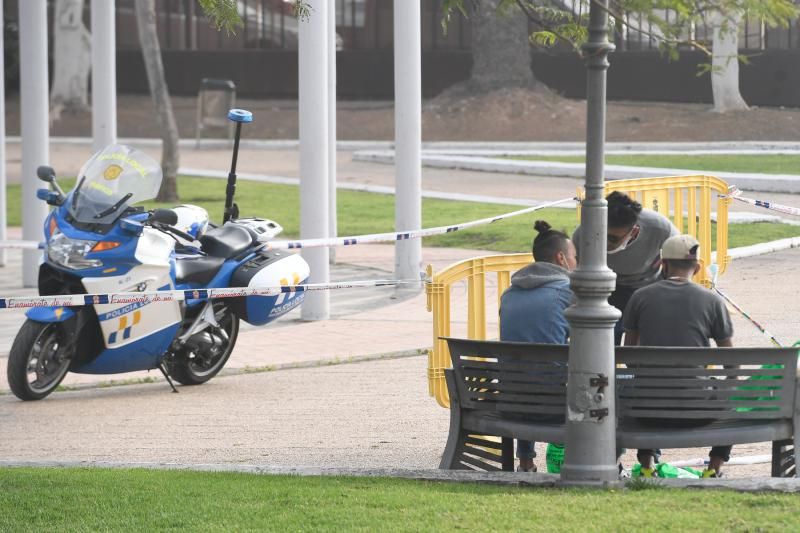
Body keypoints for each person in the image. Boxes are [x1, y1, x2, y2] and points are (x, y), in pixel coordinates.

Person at [623, 234, 734, 478]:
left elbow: (629, 356)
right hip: (698, 412)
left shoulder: (640, 297)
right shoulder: (712, 301)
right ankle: (713, 469)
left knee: (643, 385)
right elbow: (731, 364)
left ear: (663, 264)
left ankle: (647, 467)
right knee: (731, 394)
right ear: (697, 266)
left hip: (648, 411)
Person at [499, 220, 577, 472]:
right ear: (561, 258)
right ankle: (608, 462)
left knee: (527, 370)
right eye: (575, 256)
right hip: (553, 407)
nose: (577, 262)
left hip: (510, 401)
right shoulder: (568, 291)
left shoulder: (509, 294)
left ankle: (525, 462)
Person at [572, 191, 678, 344]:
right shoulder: (583, 234)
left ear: (633, 231)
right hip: (604, 289)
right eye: (600, 235)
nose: (605, 243)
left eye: (612, 238)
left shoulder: (659, 227)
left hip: (648, 288)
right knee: (603, 342)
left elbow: (681, 254)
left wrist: (668, 280)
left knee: (646, 345)